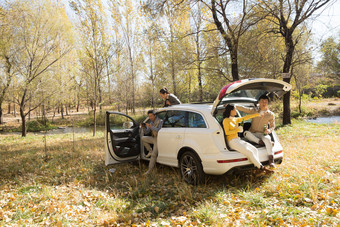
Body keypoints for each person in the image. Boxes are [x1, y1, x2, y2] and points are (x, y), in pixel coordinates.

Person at [223, 104, 273, 174]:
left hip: (237, 139)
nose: (236, 111)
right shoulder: (226, 120)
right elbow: (227, 132)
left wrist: (258, 114)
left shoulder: (235, 119)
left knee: (255, 150)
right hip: (231, 141)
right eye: (235, 109)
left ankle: (258, 168)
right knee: (250, 152)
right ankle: (262, 168)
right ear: (230, 111)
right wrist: (237, 130)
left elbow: (247, 117)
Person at [236, 94, 276, 168]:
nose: (264, 103)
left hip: (262, 133)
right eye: (262, 101)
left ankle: (271, 161)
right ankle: (261, 143)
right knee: (246, 133)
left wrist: (269, 130)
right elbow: (244, 109)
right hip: (252, 133)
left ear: (267, 103)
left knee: (267, 138)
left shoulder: (271, 114)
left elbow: (273, 126)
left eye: (266, 102)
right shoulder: (254, 111)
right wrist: (234, 106)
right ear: (259, 102)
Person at [141, 110, 163, 175]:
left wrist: (151, 127)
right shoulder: (151, 123)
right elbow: (147, 132)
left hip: (158, 139)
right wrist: (144, 127)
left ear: (155, 115)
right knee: (143, 138)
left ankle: (149, 170)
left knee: (154, 155)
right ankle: (150, 151)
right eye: (149, 116)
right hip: (153, 138)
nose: (150, 117)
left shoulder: (160, 121)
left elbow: (159, 130)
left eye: (151, 116)